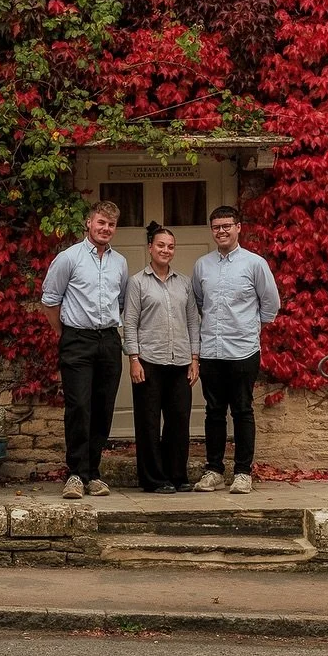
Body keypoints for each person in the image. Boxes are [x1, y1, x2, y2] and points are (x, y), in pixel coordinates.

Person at [41, 200, 130, 500]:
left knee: (103, 408)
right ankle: (76, 474)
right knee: (79, 406)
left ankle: (94, 473)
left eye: (111, 225)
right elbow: (50, 299)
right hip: (77, 339)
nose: (106, 228)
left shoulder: (120, 262)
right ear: (89, 223)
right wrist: (62, 333)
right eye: (101, 222)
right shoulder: (69, 258)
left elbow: (121, 303)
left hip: (108, 339)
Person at [192, 205, 280, 495]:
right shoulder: (202, 265)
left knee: (242, 410)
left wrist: (249, 327)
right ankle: (214, 470)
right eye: (216, 226)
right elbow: (199, 302)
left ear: (239, 227)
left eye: (227, 225)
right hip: (211, 352)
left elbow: (270, 305)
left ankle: (243, 472)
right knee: (213, 412)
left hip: (242, 350)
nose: (221, 231)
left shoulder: (255, 264)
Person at [122, 222, 199, 494]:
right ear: (150, 249)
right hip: (148, 362)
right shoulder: (137, 282)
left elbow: (192, 321)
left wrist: (194, 358)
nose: (166, 250)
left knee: (179, 421)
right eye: (161, 245)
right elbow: (129, 323)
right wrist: (133, 358)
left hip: (180, 362)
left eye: (170, 246)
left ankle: (177, 475)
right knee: (149, 422)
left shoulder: (185, 283)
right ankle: (153, 479)